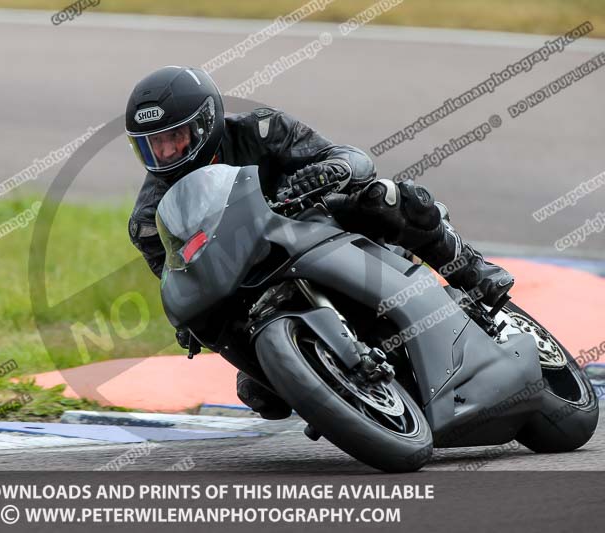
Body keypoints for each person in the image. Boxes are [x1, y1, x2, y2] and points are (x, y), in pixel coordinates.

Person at [125, 66, 514, 419]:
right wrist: (190, 321)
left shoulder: (261, 131)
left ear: (206, 122)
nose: (165, 152)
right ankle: (332, 389)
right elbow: (179, 276)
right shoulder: (148, 220)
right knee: (260, 393)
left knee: (390, 198)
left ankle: (472, 271)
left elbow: (350, 158)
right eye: (152, 144)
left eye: (174, 137)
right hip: (249, 283)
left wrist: (329, 171)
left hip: (316, 226)